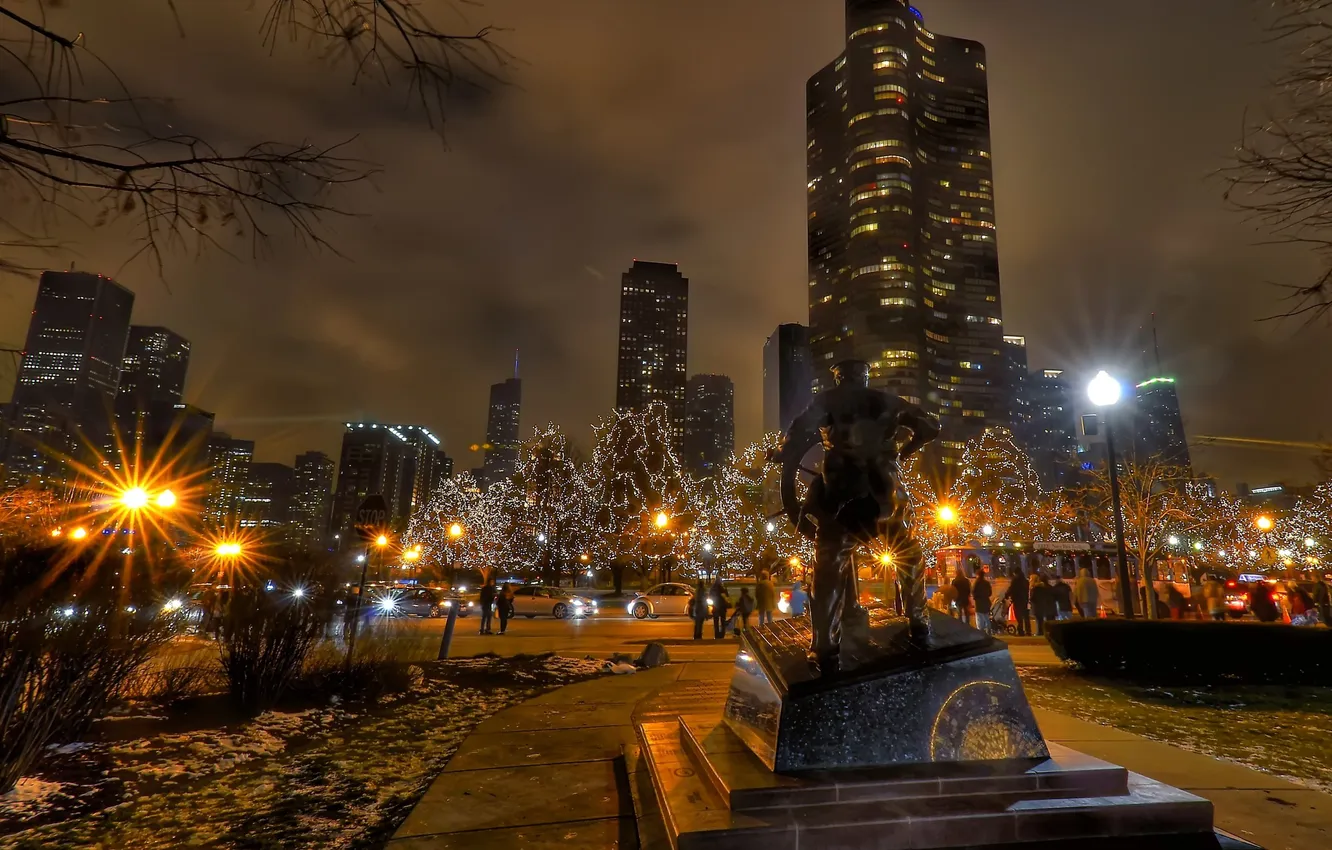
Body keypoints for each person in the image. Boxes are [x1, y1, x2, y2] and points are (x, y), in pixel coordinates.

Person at [1009, 565, 1031, 636]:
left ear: (1015, 573)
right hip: (1024, 600)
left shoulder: (1015, 580)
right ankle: (1028, 631)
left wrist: (1006, 595)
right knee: (1026, 617)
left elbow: (1011, 589)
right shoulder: (1026, 581)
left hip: (1017, 600)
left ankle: (1021, 631)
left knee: (1019, 617)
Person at [972, 568, 992, 634]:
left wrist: (976, 598)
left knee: (979, 618)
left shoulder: (976, 583)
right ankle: (988, 629)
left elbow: (973, 592)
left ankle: (981, 632)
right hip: (986, 602)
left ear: (977, 575)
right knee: (986, 617)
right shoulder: (987, 583)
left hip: (979, 603)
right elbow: (990, 593)